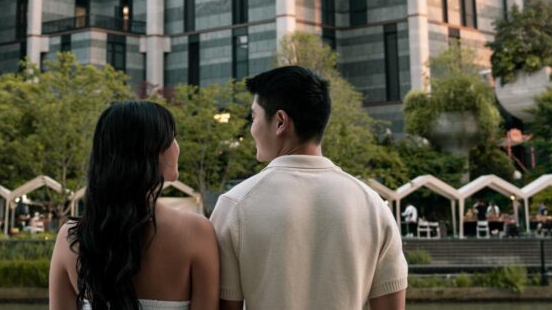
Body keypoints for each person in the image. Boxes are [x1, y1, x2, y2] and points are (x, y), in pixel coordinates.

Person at [210, 66, 407, 310]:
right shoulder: (373, 206)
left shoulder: (235, 206)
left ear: (280, 121)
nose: (251, 129)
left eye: (254, 117)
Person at [49, 101, 219, 310]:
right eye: (172, 137)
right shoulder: (196, 232)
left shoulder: (71, 238)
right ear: (152, 152)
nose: (176, 146)